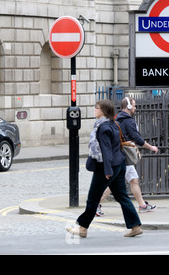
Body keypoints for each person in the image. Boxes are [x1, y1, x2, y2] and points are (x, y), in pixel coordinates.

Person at [67, 100, 142, 238]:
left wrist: (107, 170)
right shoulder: (114, 124)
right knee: (122, 196)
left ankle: (83, 228)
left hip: (106, 167)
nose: (94, 110)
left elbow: (106, 150)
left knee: (93, 198)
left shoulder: (103, 127)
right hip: (119, 164)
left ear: (104, 111)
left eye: (97, 108)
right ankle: (135, 226)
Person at [97, 97, 159, 216]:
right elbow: (136, 138)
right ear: (129, 107)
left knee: (133, 180)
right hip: (124, 156)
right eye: (134, 106)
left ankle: (142, 205)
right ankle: (95, 204)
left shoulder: (118, 118)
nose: (135, 108)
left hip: (119, 154)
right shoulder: (128, 121)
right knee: (115, 182)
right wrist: (151, 147)